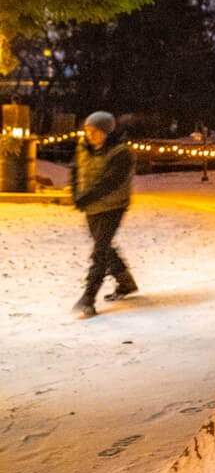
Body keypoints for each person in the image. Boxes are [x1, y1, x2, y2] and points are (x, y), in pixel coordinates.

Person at [72, 111, 137, 318]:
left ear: (107, 133)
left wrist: (86, 197)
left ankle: (88, 299)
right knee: (104, 246)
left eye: (95, 132)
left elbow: (111, 181)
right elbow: (74, 170)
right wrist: (76, 194)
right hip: (91, 206)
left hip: (113, 206)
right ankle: (125, 282)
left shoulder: (121, 153)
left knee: (99, 251)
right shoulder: (83, 147)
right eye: (87, 130)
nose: (90, 135)